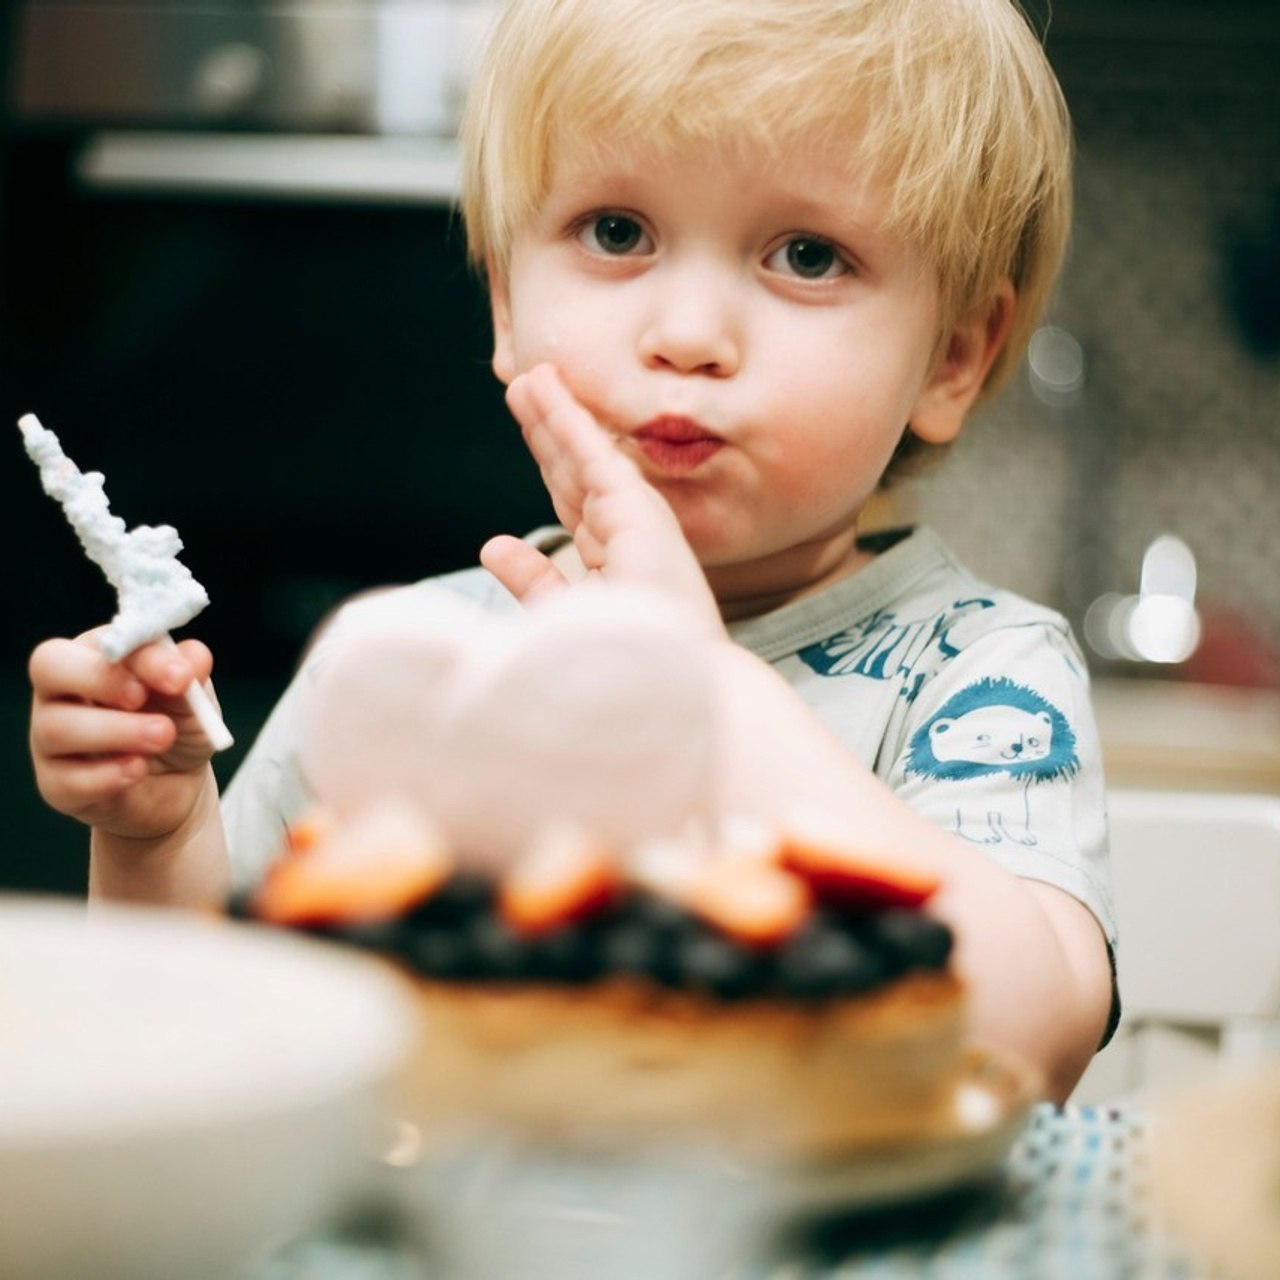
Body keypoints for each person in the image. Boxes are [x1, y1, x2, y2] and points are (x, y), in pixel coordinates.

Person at [26, 0, 1115, 1101]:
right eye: (616, 232)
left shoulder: (975, 675)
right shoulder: (416, 660)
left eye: (805, 254)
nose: (686, 334)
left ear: (952, 357)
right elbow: (225, 1057)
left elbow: (1025, 1034)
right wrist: (158, 841)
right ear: (505, 300)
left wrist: (694, 682)